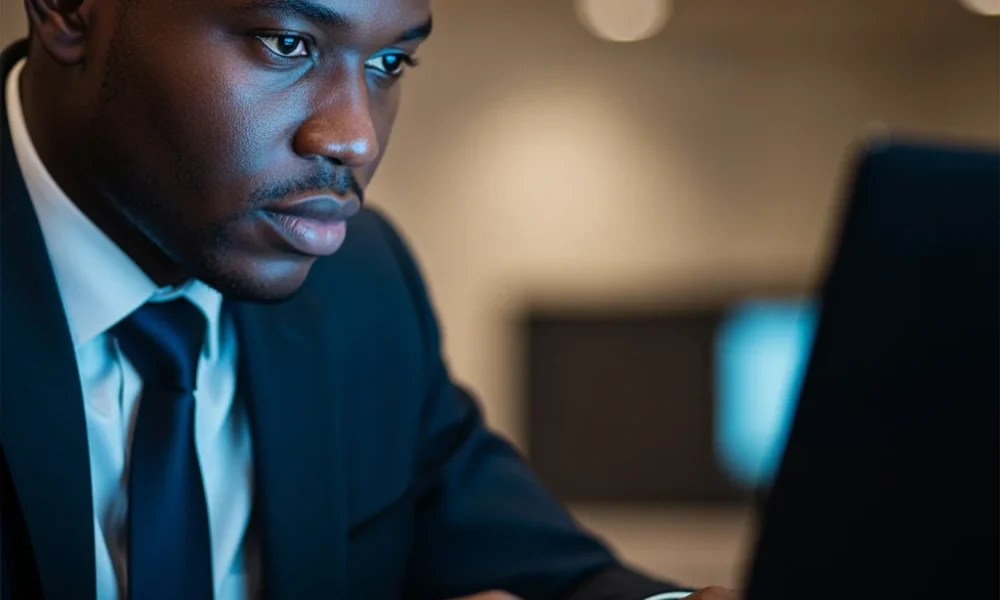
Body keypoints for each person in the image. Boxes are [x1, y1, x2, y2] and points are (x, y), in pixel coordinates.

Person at [0, 1, 736, 599]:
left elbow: (538, 568)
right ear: (70, 11)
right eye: (286, 44)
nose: (354, 138)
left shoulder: (363, 282)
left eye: (389, 63)